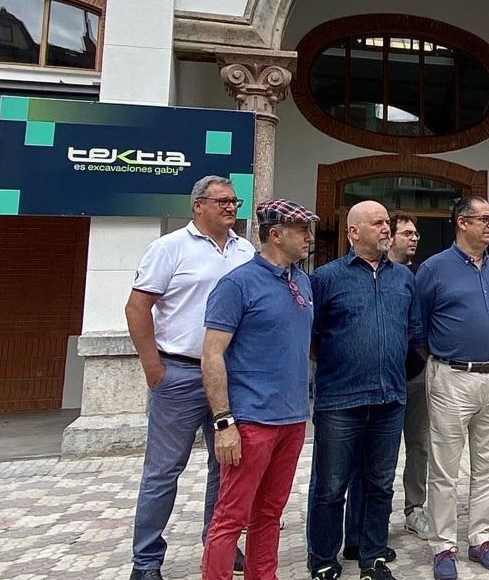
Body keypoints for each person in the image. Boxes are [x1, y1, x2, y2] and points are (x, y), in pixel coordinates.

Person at [125, 175, 254, 580]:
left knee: (228, 467)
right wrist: (153, 369)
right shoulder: (169, 248)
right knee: (163, 470)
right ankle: (146, 561)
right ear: (198, 205)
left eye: (234, 201)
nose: (231, 207)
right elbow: (137, 308)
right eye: (222, 201)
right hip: (179, 373)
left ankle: (218, 543)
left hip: (230, 376)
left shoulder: (246, 250)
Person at [200, 199, 318, 580]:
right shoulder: (237, 284)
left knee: (270, 513)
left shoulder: (302, 281)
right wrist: (223, 422)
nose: (309, 237)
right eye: (302, 230)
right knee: (230, 516)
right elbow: (212, 354)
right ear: (275, 234)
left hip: (293, 419)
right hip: (251, 421)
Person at [306, 201, 420, 580]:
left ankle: (372, 557)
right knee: (330, 487)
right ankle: (323, 559)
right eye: (377, 223)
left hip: (390, 399)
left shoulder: (403, 278)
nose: (386, 229)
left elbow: (409, 331)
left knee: (379, 484)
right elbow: (312, 338)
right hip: (340, 400)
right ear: (353, 232)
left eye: (387, 222)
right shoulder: (325, 278)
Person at [416, 197, 489, 580]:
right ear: (461, 223)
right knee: (445, 467)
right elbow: (418, 327)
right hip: (451, 376)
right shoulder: (434, 269)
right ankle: (442, 546)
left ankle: (481, 538)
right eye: (484, 219)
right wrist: (440, 363)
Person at [388, 213, 432, 541]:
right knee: (382, 449)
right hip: (384, 379)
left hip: (416, 375)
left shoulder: (420, 276)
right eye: (406, 233)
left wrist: (423, 357)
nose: (414, 238)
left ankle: (415, 509)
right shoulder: (380, 274)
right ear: (389, 237)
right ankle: (376, 511)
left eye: (415, 233)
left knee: (419, 444)